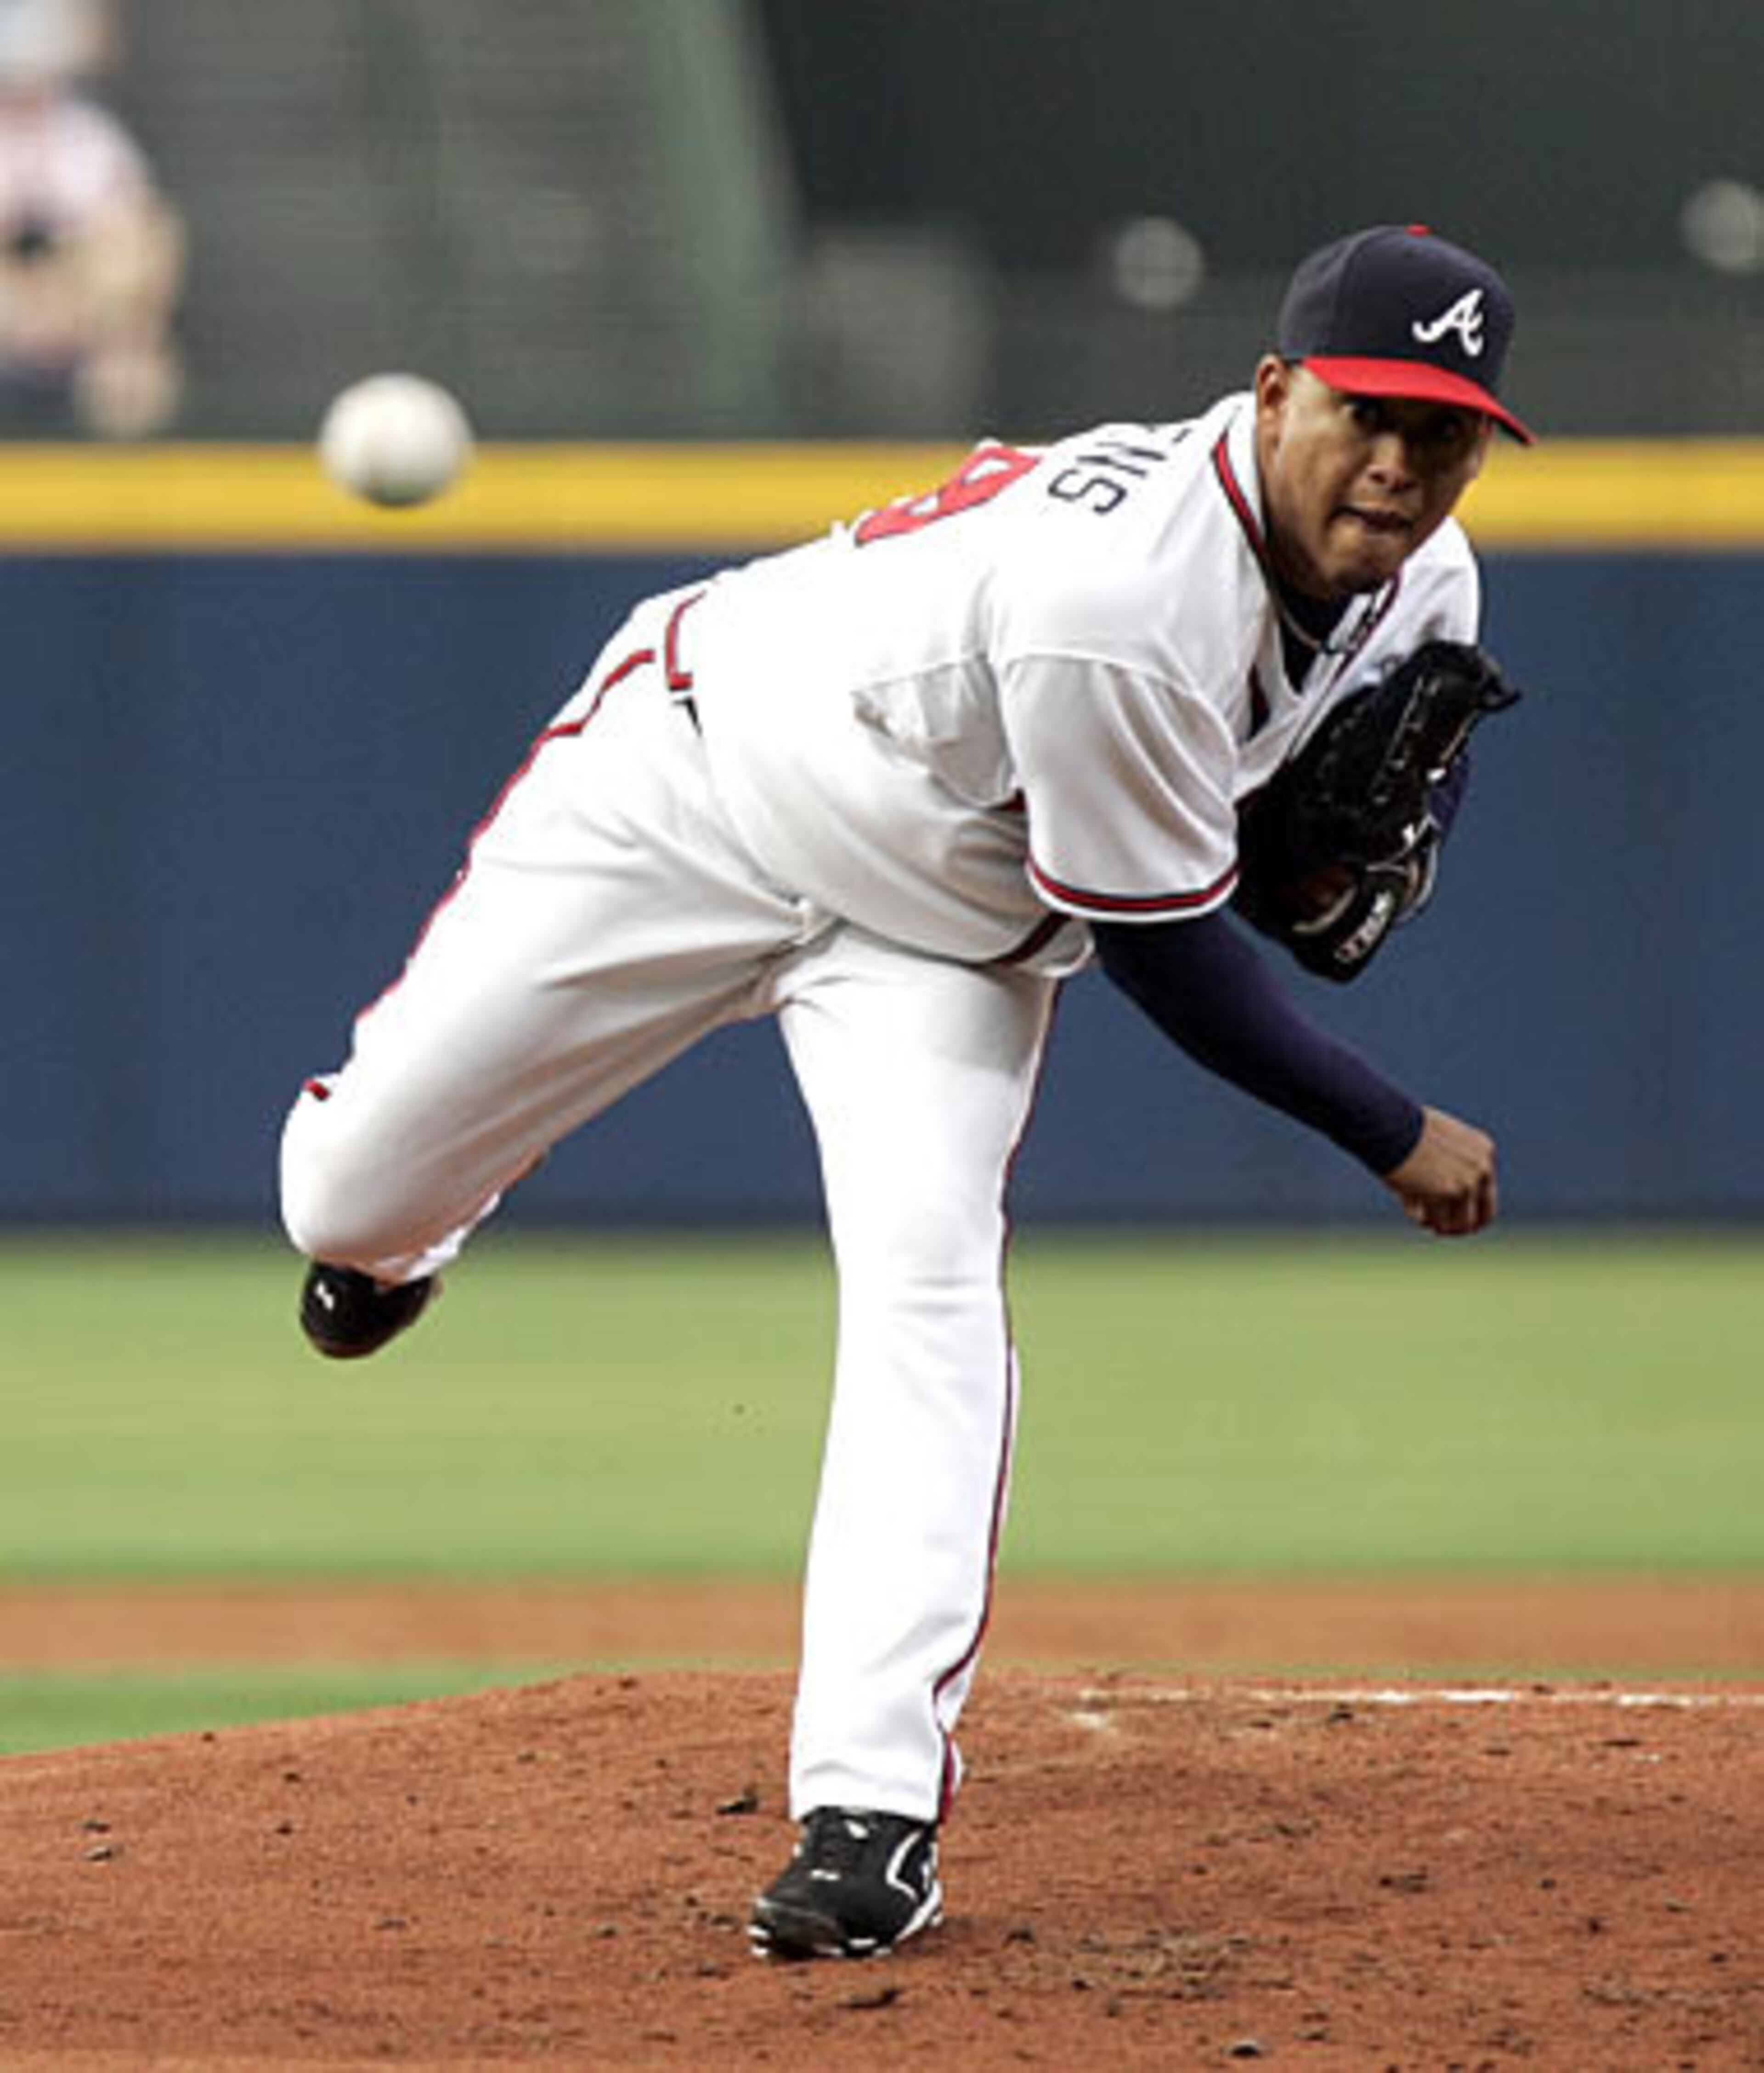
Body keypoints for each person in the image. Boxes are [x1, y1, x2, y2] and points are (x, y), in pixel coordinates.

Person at [279, 223, 1531, 1961]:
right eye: (1364, 413)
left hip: (943, 938)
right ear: (1270, 393)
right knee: (343, 1201)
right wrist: (1387, 1128)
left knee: (930, 1294)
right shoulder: (1127, 600)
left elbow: (1400, 798)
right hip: (695, 789)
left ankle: (869, 1809)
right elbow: (1167, 954)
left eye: (1447, 430)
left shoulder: (1433, 574)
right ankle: (396, 1244)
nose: (1399, 464)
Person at [0, 0, 185, 436]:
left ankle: (126, 463)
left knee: (140, 247)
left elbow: (135, 238)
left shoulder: (87, 135)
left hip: (82, 319)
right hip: (17, 309)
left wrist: (68, 301)